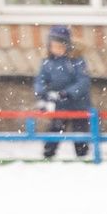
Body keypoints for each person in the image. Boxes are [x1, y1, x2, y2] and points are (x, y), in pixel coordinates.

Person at [33, 25, 91, 159]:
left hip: (78, 103)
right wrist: (41, 94)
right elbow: (41, 79)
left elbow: (83, 81)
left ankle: (82, 154)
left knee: (80, 131)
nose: (56, 50)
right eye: (53, 47)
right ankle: (48, 153)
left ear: (67, 46)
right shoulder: (48, 62)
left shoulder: (76, 60)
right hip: (59, 104)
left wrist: (66, 93)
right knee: (55, 128)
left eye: (60, 47)